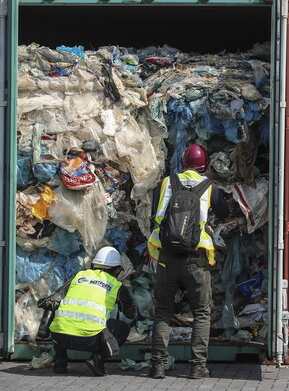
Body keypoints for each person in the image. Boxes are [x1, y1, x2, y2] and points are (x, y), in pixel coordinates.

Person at [147, 144, 229, 379]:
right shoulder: (209, 187)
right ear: (205, 166)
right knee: (201, 312)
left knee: (163, 310)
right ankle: (197, 367)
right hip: (196, 258)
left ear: (182, 163)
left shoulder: (166, 183)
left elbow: (156, 213)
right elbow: (224, 213)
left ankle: (158, 366)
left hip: (166, 256)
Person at [47, 246, 136, 376]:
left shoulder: (79, 276)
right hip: (89, 340)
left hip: (60, 337)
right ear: (117, 270)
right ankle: (97, 359)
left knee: (62, 320)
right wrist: (128, 302)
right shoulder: (117, 286)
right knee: (123, 328)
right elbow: (130, 315)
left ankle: (60, 362)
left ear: (94, 264)